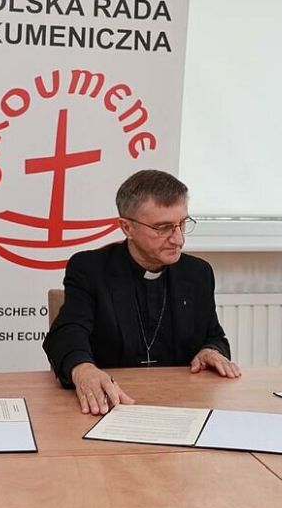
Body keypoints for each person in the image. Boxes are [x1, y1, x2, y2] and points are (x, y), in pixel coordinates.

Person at [43, 169, 240, 415]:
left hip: (181, 405)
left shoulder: (197, 273)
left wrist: (211, 350)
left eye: (182, 224)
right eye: (163, 228)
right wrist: (83, 369)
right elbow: (67, 332)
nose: (178, 239)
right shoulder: (91, 269)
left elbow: (214, 335)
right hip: (112, 405)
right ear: (127, 228)